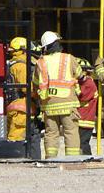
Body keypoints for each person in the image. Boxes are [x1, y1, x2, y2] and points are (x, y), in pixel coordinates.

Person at [33, 30, 81, 158]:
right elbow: (79, 74)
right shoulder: (68, 58)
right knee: (70, 131)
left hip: (49, 104)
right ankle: (72, 159)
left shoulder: (40, 62)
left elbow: (36, 82)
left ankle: (50, 158)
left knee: (51, 133)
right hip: (67, 102)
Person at [5, 37, 31, 142]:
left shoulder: (11, 64)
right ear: (24, 50)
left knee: (10, 134)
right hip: (20, 106)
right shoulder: (21, 66)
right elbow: (26, 88)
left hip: (12, 104)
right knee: (16, 137)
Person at [75, 58, 99, 154]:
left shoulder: (89, 83)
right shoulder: (82, 83)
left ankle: (88, 159)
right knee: (77, 144)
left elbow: (82, 97)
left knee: (83, 143)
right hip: (80, 118)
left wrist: (73, 87)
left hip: (85, 120)